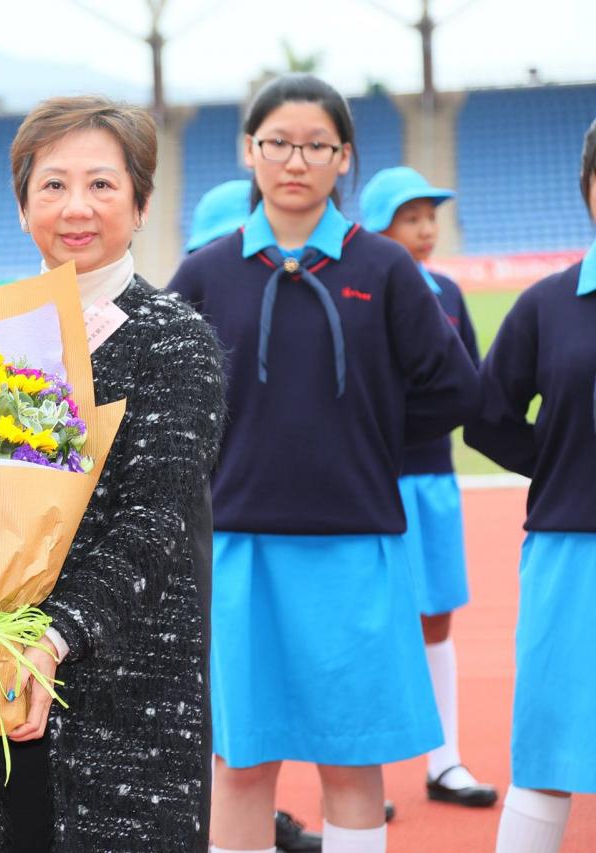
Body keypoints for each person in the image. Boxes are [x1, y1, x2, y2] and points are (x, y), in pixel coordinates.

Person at [169, 73, 480, 853]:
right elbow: (165, 400)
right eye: (278, 143)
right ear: (249, 150)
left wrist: (369, 438)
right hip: (239, 551)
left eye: (317, 145)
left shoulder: (385, 269)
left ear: (344, 157)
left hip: (355, 548)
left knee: (351, 762)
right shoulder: (205, 273)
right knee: (241, 764)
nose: (296, 161)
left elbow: (453, 386)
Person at [0, 95, 226, 852]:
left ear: (140, 204)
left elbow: (154, 522)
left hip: (125, 692)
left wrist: (55, 636)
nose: (77, 207)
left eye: (102, 184)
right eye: (53, 185)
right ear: (22, 207)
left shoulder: (174, 341)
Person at [467, 118, 596, 853]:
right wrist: (563, 462)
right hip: (571, 550)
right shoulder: (547, 304)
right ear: (586, 187)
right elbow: (488, 417)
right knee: (549, 747)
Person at [186, 181, 327, 853]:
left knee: (241, 712)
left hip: (249, 528)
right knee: (221, 712)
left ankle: (248, 820)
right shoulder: (188, 311)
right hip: (202, 535)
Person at [360, 166, 498, 808]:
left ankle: (446, 763)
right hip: (371, 482)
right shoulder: (359, 291)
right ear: (377, 230)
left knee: (436, 619)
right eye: (409, 218)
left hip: (433, 478)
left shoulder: (449, 292)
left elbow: (468, 382)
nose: (424, 230)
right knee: (368, 624)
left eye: (429, 217)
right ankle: (359, 770)